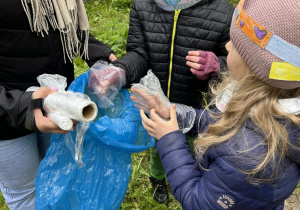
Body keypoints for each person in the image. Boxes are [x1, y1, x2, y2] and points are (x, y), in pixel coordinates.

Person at [136, 0, 300, 209]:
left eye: (236, 44)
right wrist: (180, 115)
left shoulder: (249, 159)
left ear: (256, 68)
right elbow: (223, 124)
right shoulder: (263, 106)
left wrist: (169, 139)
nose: (228, 45)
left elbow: (197, 203)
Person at [89, 0, 234, 203]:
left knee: (197, 145)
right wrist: (119, 71)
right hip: (155, 102)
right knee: (159, 146)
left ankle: (192, 182)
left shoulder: (224, 11)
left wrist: (218, 65)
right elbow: (138, 53)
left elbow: (236, 60)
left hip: (196, 105)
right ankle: (157, 178)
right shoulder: (142, 5)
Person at [0, 0, 116, 209]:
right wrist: (23, 107)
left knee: (58, 177)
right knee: (26, 196)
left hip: (55, 105)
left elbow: (61, 26)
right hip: (6, 118)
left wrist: (98, 53)